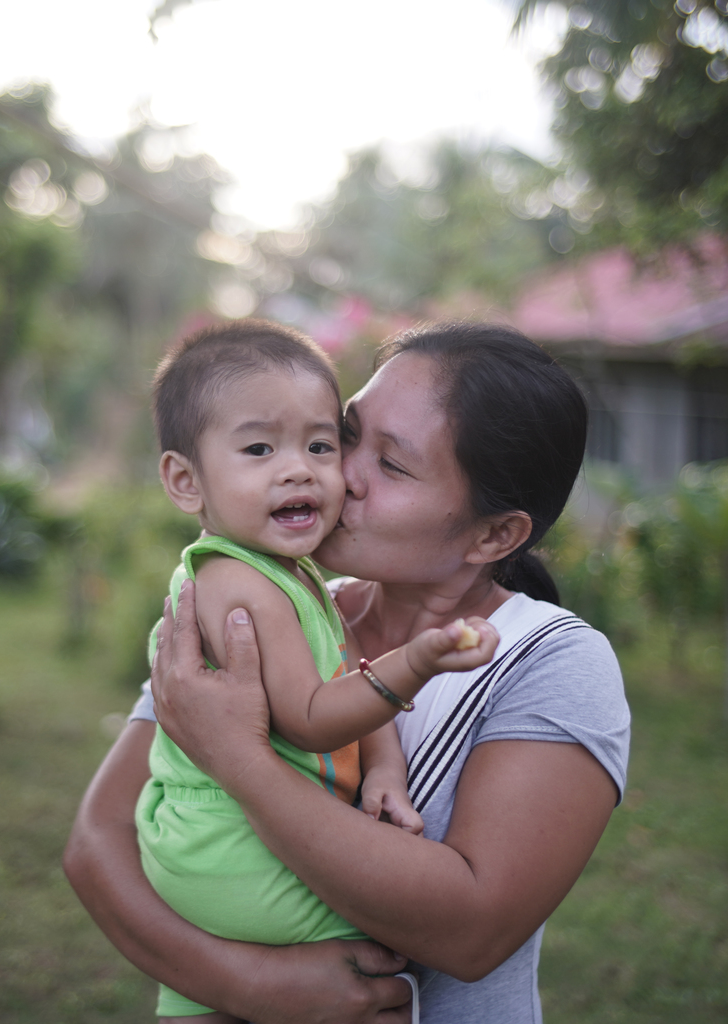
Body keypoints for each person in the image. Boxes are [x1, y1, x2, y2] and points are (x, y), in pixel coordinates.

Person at [65, 321, 631, 1023]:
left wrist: (240, 760)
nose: (330, 473)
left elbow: (473, 928)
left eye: (391, 466)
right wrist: (245, 984)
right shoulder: (269, 608)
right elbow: (97, 841)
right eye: (349, 433)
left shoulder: (550, 662)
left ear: (494, 535)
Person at [139, 320, 499, 1021]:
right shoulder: (239, 588)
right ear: (186, 481)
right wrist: (416, 662)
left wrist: (386, 774)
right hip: (226, 842)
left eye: (320, 445)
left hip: (223, 836)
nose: (299, 468)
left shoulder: (289, 574)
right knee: (383, 944)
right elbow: (310, 718)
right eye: (258, 448)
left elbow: (342, 679)